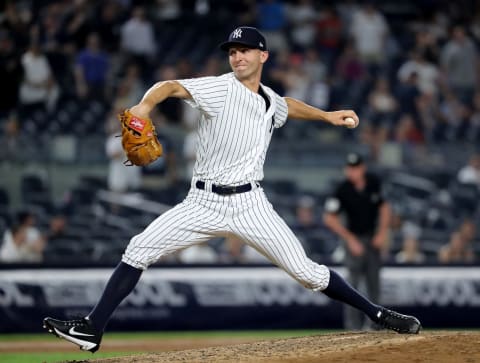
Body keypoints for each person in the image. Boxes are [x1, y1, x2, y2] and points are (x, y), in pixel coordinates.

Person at [43, 26, 420, 353]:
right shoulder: (217, 89)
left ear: (263, 56)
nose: (237, 56)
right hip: (203, 202)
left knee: (309, 274)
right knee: (139, 248)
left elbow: (285, 105)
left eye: (244, 50)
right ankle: (93, 328)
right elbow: (170, 86)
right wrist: (144, 106)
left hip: (251, 204)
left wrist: (325, 115)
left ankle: (378, 314)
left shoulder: (270, 99)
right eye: (232, 51)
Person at [323, 152, 392, 331]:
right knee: (351, 287)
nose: (351, 172)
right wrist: (350, 239)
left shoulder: (373, 182)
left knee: (374, 284)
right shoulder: (342, 189)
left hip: (372, 238)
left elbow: (385, 208)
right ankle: (353, 328)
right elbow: (329, 218)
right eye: (349, 168)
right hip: (354, 239)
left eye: (354, 168)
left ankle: (377, 326)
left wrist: (382, 233)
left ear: (362, 168)